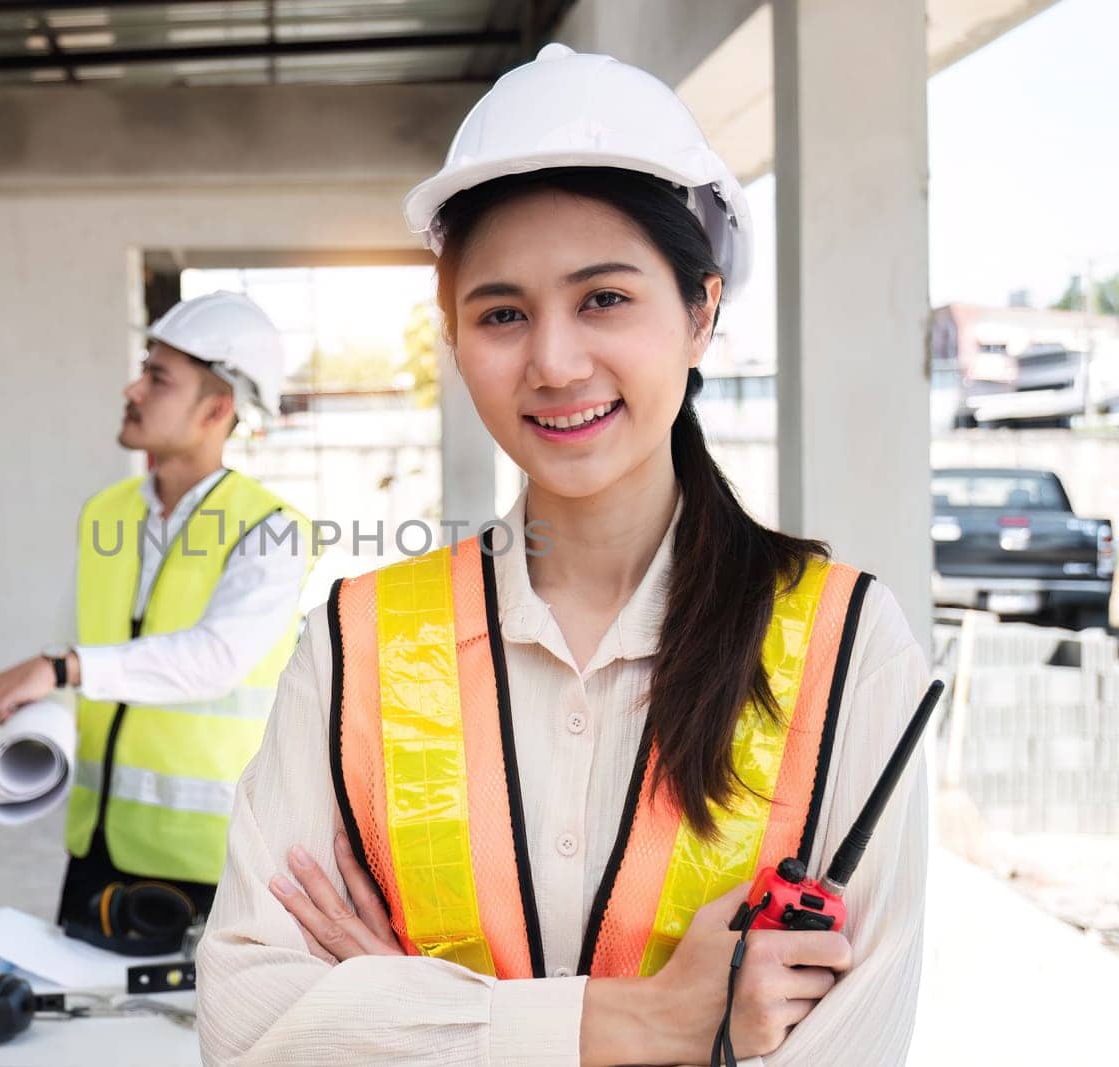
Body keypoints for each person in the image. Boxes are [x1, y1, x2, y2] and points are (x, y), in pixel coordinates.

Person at [196, 46, 929, 1066]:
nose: (551, 361)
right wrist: (652, 1020)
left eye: (603, 299)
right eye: (501, 313)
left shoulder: (846, 645)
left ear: (700, 313)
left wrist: (395, 1007)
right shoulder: (355, 643)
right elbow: (243, 1027)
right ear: (455, 341)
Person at [0, 291, 312, 947]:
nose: (133, 387)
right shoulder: (107, 513)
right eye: (143, 368)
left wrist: (63, 666)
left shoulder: (273, 531)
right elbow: (74, 653)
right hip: (95, 846)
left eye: (157, 378)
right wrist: (24, 731)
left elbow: (215, 658)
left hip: (206, 864)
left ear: (216, 408)